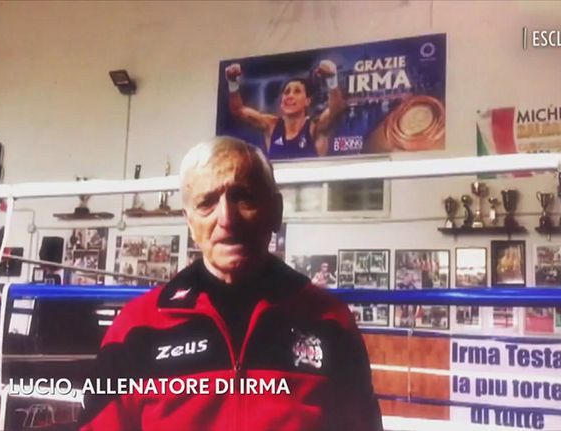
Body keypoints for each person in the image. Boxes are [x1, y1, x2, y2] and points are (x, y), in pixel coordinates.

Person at [80, 136, 381, 431]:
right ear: (190, 223)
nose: (227, 218)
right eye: (207, 203)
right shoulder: (136, 327)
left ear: (275, 212)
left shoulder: (329, 322)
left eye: (243, 197)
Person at [224, 60, 346, 159]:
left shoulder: (315, 127)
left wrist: (332, 79)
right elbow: (238, 110)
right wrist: (232, 82)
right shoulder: (271, 125)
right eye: (286, 92)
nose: (290, 96)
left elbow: (336, 109)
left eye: (297, 91)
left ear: (307, 101)